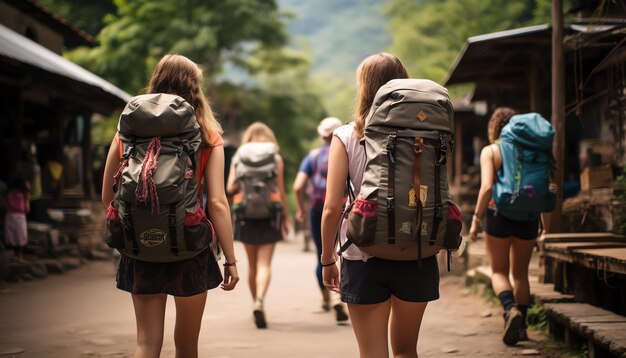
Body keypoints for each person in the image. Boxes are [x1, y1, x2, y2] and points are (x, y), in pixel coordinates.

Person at [101, 54, 239, 358]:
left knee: (146, 343)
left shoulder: (128, 133)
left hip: (139, 243)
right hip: (189, 245)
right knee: (187, 345)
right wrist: (230, 259)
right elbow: (216, 203)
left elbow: (107, 198)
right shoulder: (207, 135)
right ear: (195, 88)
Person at [321, 53, 440, 357]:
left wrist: (327, 259)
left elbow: (332, 207)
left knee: (372, 353)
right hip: (418, 247)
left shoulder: (347, 135)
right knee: (406, 351)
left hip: (363, 252)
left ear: (363, 87)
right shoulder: (429, 133)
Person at [468, 107, 537, 345]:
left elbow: (486, 187)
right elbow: (546, 189)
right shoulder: (532, 149)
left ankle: (510, 310)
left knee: (498, 270)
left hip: (498, 214)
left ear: (494, 127)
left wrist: (476, 220)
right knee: (521, 274)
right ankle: (523, 328)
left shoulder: (492, 150)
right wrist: (545, 226)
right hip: (529, 216)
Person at [226, 121, 289, 329]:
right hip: (270, 214)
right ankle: (260, 300)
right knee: (264, 264)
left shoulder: (239, 156)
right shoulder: (275, 158)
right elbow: (279, 189)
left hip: (245, 213)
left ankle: (255, 302)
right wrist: (286, 217)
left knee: (252, 265)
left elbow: (230, 188)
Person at [293, 117, 348, 323]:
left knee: (324, 254)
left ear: (321, 135)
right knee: (343, 253)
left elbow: (298, 186)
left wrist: (301, 209)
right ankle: (337, 298)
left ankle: (327, 297)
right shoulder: (347, 150)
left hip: (318, 210)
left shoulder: (313, 156)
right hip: (344, 209)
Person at [4, 177, 30, 263]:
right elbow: (27, 208)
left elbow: (5, 205)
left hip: (9, 216)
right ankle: (20, 256)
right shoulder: (23, 194)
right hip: (20, 217)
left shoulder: (9, 193)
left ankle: (15, 256)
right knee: (20, 237)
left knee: (12, 236)